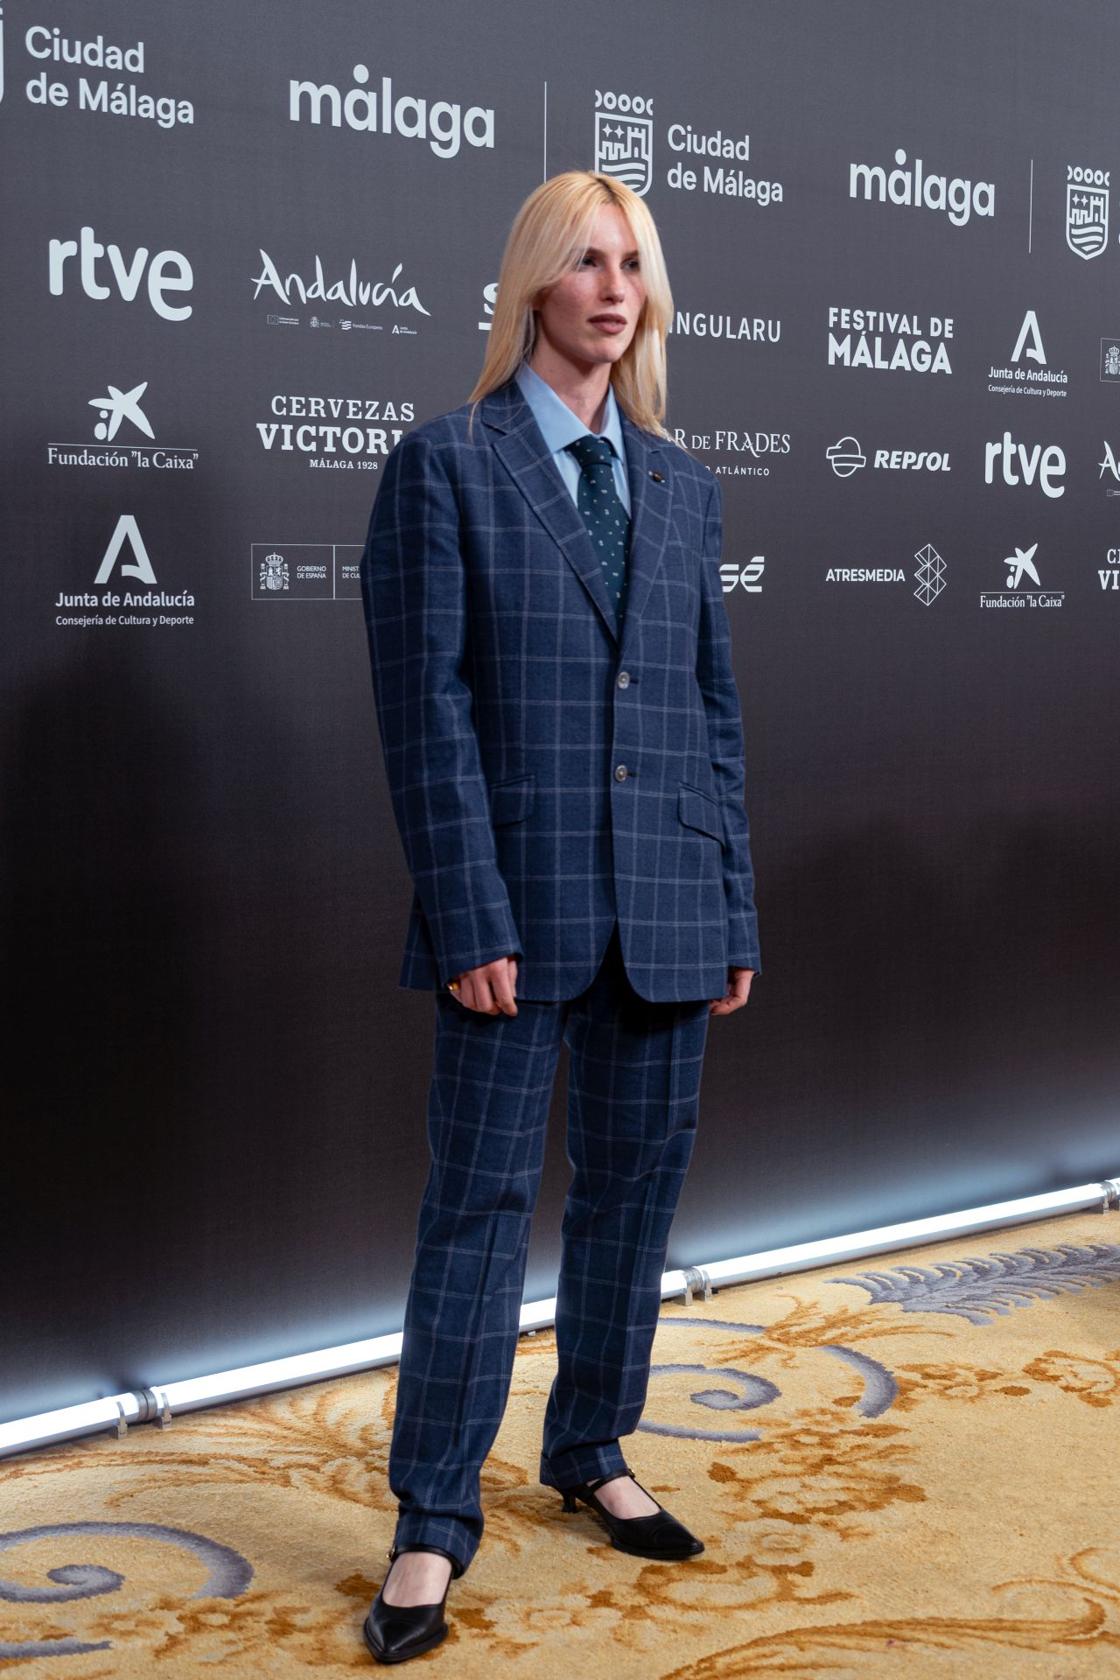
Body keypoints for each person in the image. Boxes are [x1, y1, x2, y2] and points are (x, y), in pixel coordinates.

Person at [356, 168, 760, 1664]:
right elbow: (426, 718)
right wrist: (467, 917)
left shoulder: (685, 483)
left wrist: (732, 905)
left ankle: (592, 1447)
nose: (613, 286)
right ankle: (428, 1522)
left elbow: (711, 710)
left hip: (666, 906)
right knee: (472, 1223)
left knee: (633, 1206)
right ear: (533, 281)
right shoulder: (445, 467)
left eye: (633, 263)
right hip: (509, 925)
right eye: (585, 260)